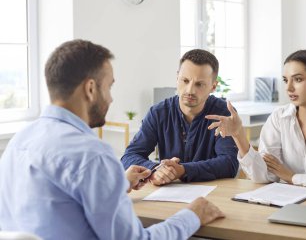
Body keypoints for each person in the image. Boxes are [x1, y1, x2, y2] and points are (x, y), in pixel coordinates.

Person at [0, 40, 224, 240]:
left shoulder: (18, 142)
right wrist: (192, 216)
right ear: (90, 89)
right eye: (109, 86)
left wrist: (117, 184)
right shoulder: (92, 155)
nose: (111, 97)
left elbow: (56, 203)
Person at [206, 50, 306, 192]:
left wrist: (292, 177)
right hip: (290, 203)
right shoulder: (278, 118)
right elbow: (264, 175)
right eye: (285, 80)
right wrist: (238, 135)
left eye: (298, 79)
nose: (288, 88)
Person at [121, 49, 238, 185]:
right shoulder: (158, 112)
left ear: (213, 86)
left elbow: (230, 163)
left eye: (199, 84)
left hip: (214, 193)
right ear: (177, 77)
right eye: (185, 80)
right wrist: (156, 169)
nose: (190, 90)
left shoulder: (224, 113)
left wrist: (183, 170)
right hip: (167, 194)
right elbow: (129, 156)